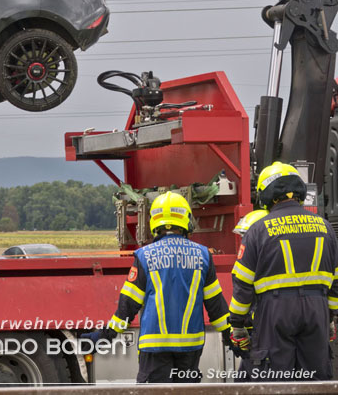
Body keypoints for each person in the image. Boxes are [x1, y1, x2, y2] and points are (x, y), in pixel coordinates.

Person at [82, 192, 231, 383]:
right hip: (190, 351)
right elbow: (216, 306)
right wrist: (233, 337)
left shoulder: (144, 256)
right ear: (186, 220)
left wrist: (104, 336)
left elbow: (128, 306)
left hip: (154, 350)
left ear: (154, 222)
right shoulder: (203, 256)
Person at [229, 162, 338, 380]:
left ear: (266, 195)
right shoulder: (326, 228)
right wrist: (330, 317)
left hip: (275, 312)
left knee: (274, 380)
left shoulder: (258, 231)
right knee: (316, 381)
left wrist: (238, 324)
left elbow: (242, 283)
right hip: (317, 310)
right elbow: (335, 281)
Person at [229, 209, 268, 380]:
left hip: (261, 340)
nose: (244, 241)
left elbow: (243, 295)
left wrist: (237, 328)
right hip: (254, 338)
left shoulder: (256, 265)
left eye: (247, 236)